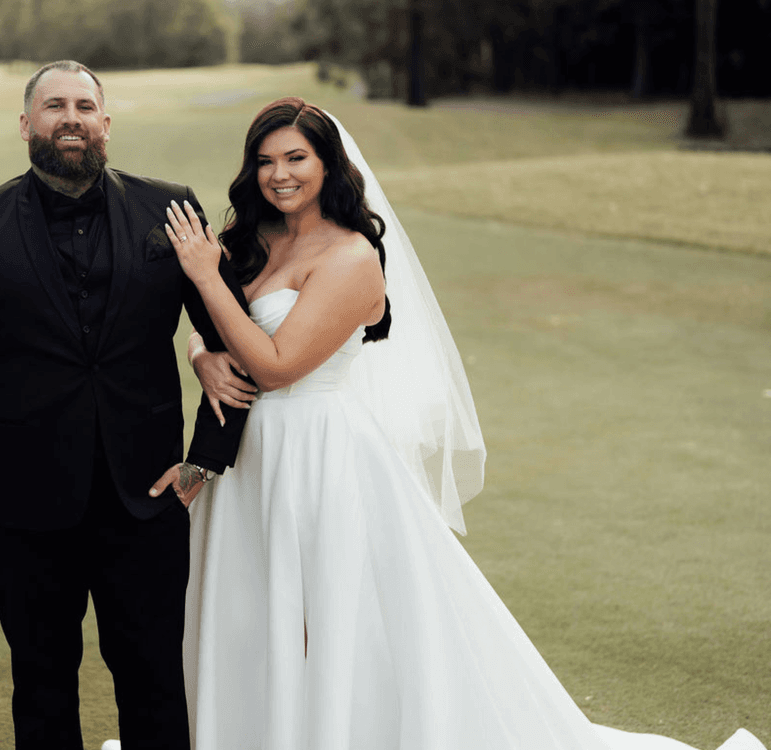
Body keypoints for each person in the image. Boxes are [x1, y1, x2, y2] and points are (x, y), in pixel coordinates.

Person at [165, 98, 767, 750]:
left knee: (328, 615)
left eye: (296, 158)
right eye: (265, 161)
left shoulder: (352, 258)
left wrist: (204, 273)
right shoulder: (251, 241)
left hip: (319, 455)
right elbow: (211, 323)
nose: (279, 174)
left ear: (328, 164)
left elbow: (279, 365)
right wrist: (201, 358)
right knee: (252, 612)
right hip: (245, 461)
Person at [0, 60, 250, 750]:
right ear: (26, 125)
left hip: (147, 502)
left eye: (85, 106)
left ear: (106, 126)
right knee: (42, 684)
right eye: (54, 105)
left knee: (154, 681)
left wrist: (205, 460)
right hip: (24, 506)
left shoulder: (170, 210)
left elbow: (233, 337)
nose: (71, 117)